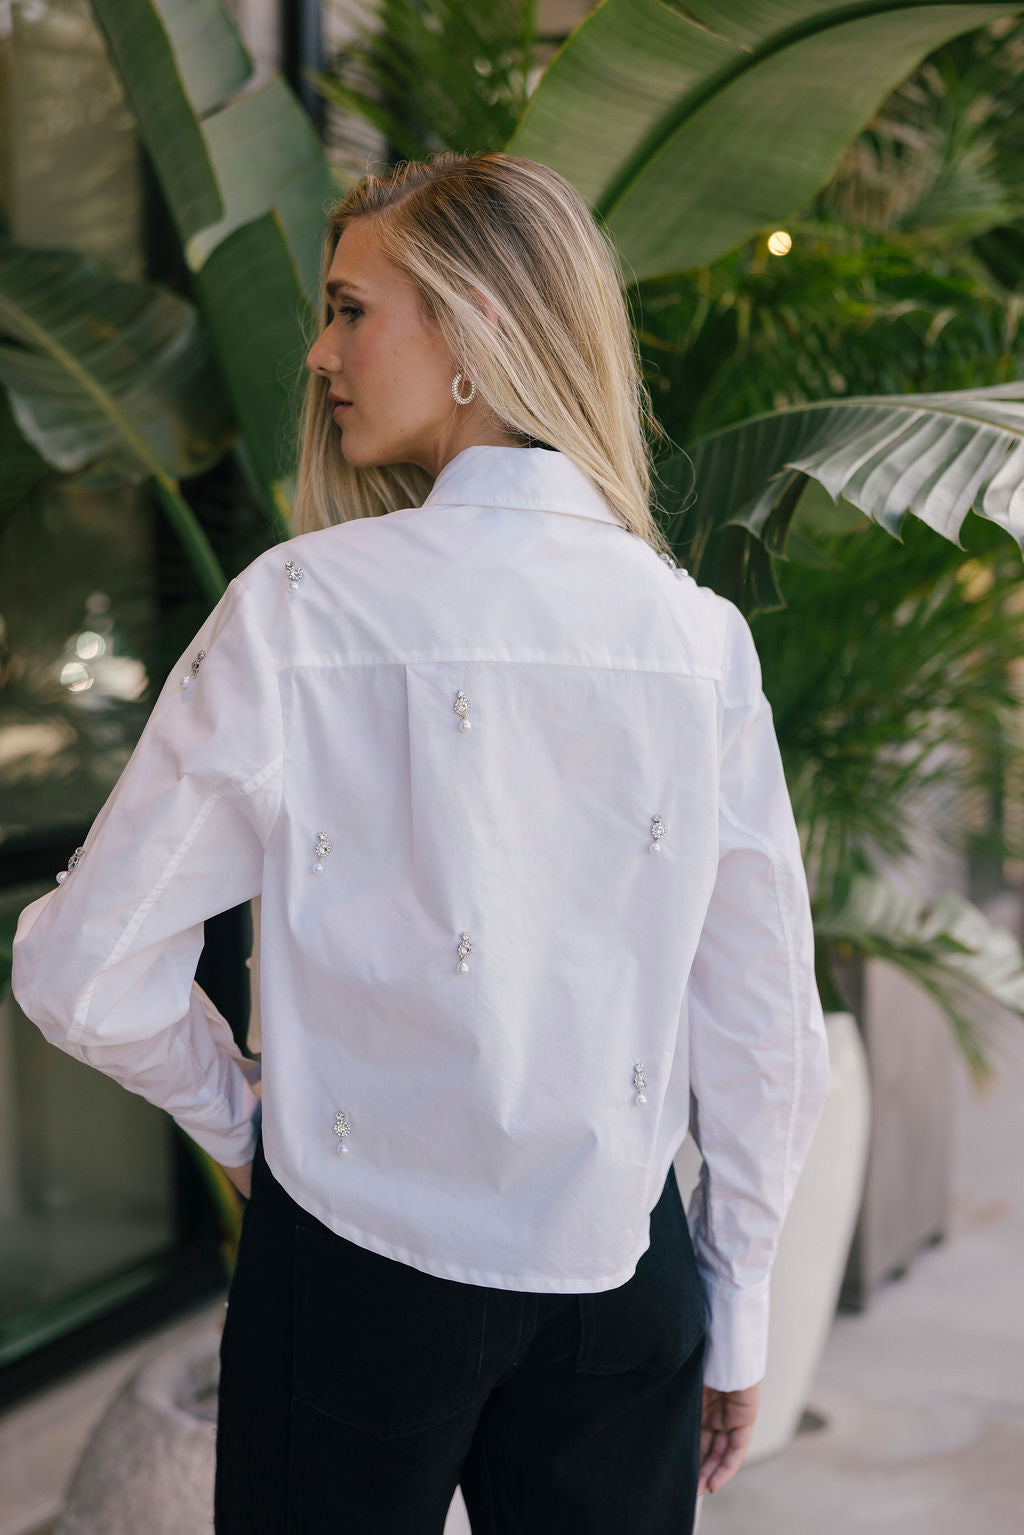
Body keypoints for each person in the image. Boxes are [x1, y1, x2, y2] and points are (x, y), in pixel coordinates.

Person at [11, 150, 830, 1533]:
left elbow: (82, 971)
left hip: (347, 1276)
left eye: (351, 310)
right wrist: (737, 1311)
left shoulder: (299, 612)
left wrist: (243, 1121)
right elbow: (760, 1020)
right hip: (620, 1284)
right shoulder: (697, 639)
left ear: (473, 326)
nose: (320, 355)